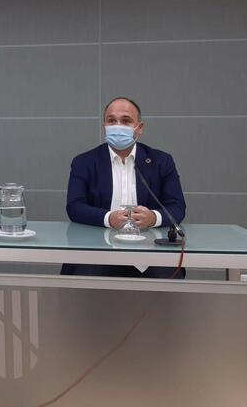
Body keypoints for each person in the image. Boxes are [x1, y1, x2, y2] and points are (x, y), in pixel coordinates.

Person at [61, 97, 186, 278]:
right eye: (111, 121)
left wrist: (153, 218)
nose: (118, 126)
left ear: (139, 128)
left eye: (126, 120)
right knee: (83, 279)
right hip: (98, 251)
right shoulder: (84, 162)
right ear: (104, 126)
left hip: (150, 252)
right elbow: (75, 207)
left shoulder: (161, 161)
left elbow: (177, 207)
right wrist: (108, 218)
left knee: (170, 281)